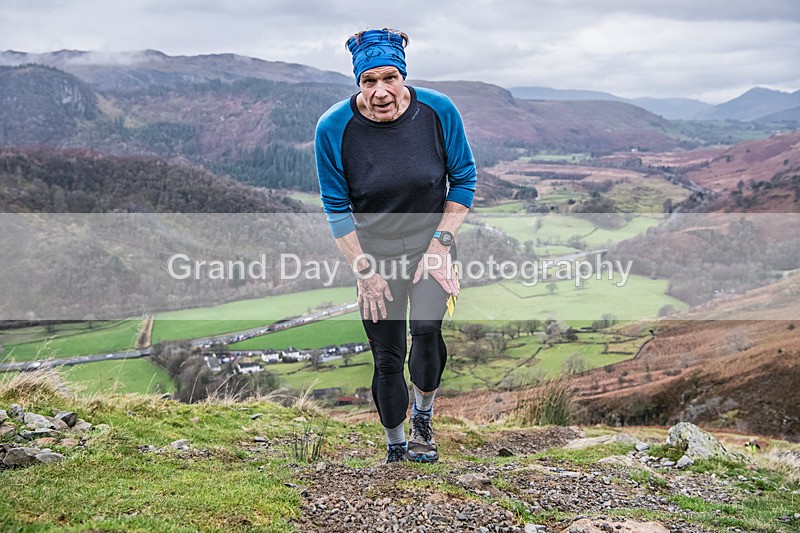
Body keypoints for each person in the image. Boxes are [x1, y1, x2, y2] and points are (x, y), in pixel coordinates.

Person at [315, 28, 477, 463]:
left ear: (403, 76)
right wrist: (364, 272)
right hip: (375, 255)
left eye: (390, 78)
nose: (381, 92)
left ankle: (423, 420)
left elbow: (463, 179)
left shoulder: (438, 112)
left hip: (432, 247)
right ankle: (395, 444)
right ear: (358, 83)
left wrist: (442, 245)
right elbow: (336, 207)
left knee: (426, 330)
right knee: (387, 356)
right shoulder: (333, 128)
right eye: (369, 81)